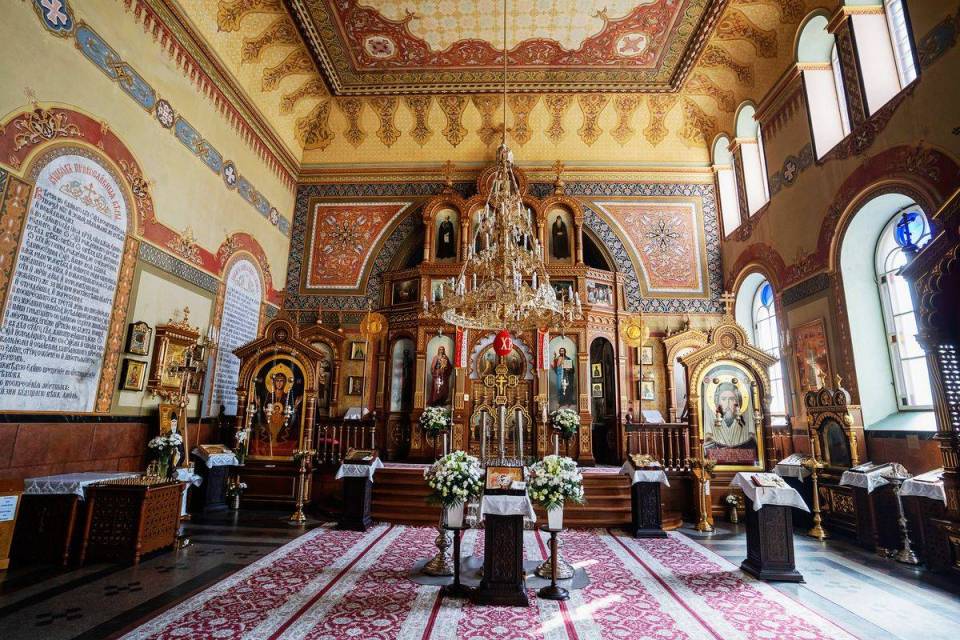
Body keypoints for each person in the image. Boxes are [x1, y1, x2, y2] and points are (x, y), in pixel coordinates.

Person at [705, 381, 753, 449]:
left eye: (731, 399)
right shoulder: (711, 427)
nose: (727, 403)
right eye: (723, 399)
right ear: (718, 402)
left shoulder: (744, 427)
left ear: (737, 402)